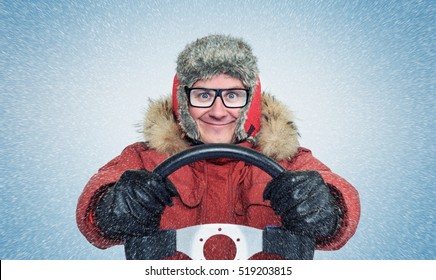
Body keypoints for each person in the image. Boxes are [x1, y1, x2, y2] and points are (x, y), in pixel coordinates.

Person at [76, 34, 360, 260]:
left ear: (251, 100)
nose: (218, 111)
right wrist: (110, 209)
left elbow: (344, 204)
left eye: (232, 95)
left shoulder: (288, 161)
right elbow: (93, 215)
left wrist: (325, 210)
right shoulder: (144, 160)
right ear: (182, 101)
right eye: (203, 95)